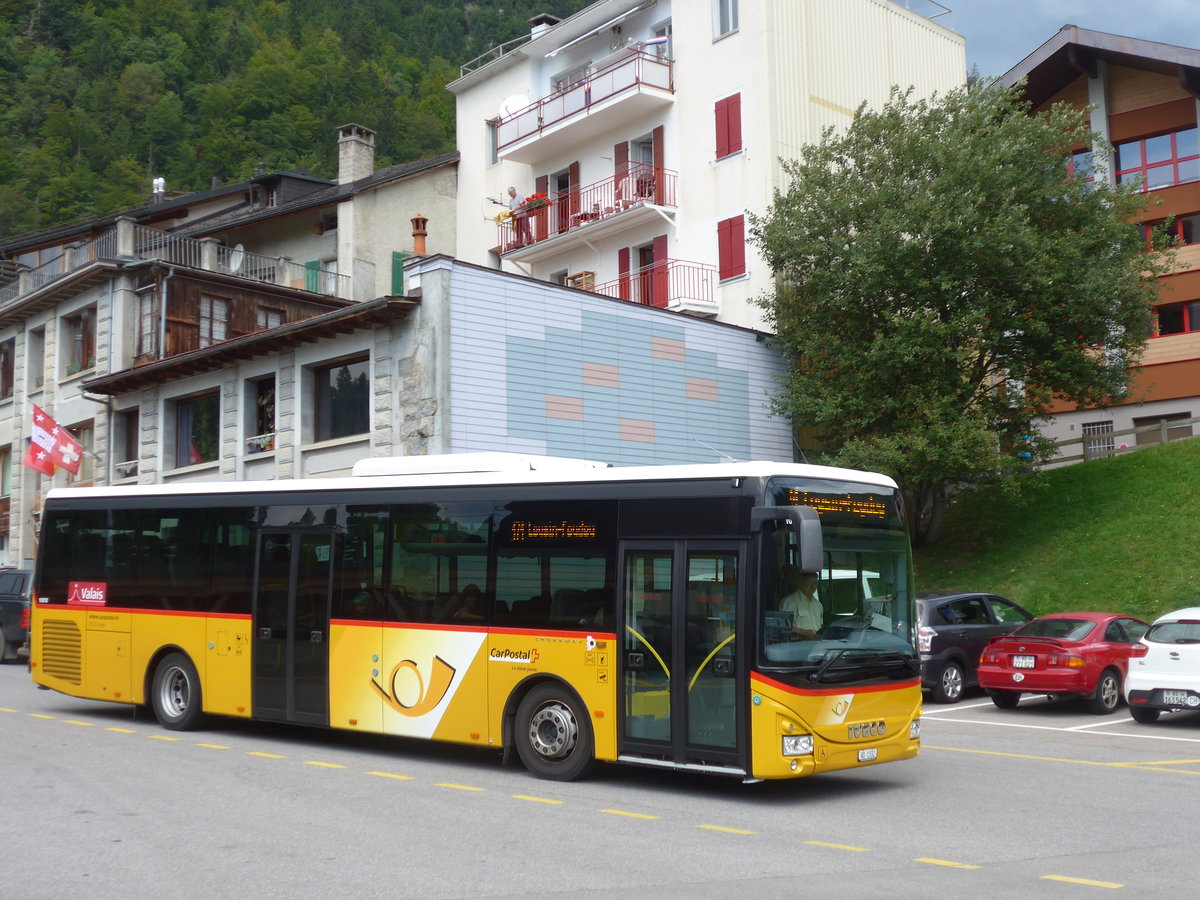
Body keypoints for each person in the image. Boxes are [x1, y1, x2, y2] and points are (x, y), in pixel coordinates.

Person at [778, 566, 822, 639]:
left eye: (815, 583)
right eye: (809, 583)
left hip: (816, 646)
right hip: (798, 646)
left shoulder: (818, 605)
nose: (813, 586)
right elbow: (783, 627)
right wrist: (805, 633)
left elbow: (820, 626)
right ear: (801, 582)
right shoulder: (788, 602)